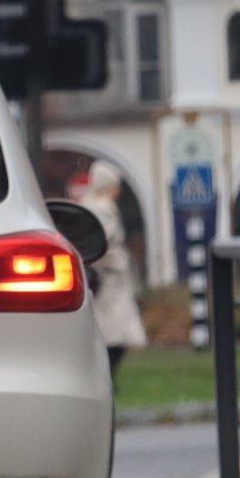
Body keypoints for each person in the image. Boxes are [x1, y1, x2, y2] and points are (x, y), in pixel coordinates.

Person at [76, 161, 147, 376]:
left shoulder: (90, 205)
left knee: (113, 333)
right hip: (109, 281)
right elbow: (102, 242)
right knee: (115, 334)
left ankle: (106, 375)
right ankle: (106, 376)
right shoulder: (103, 209)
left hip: (107, 280)